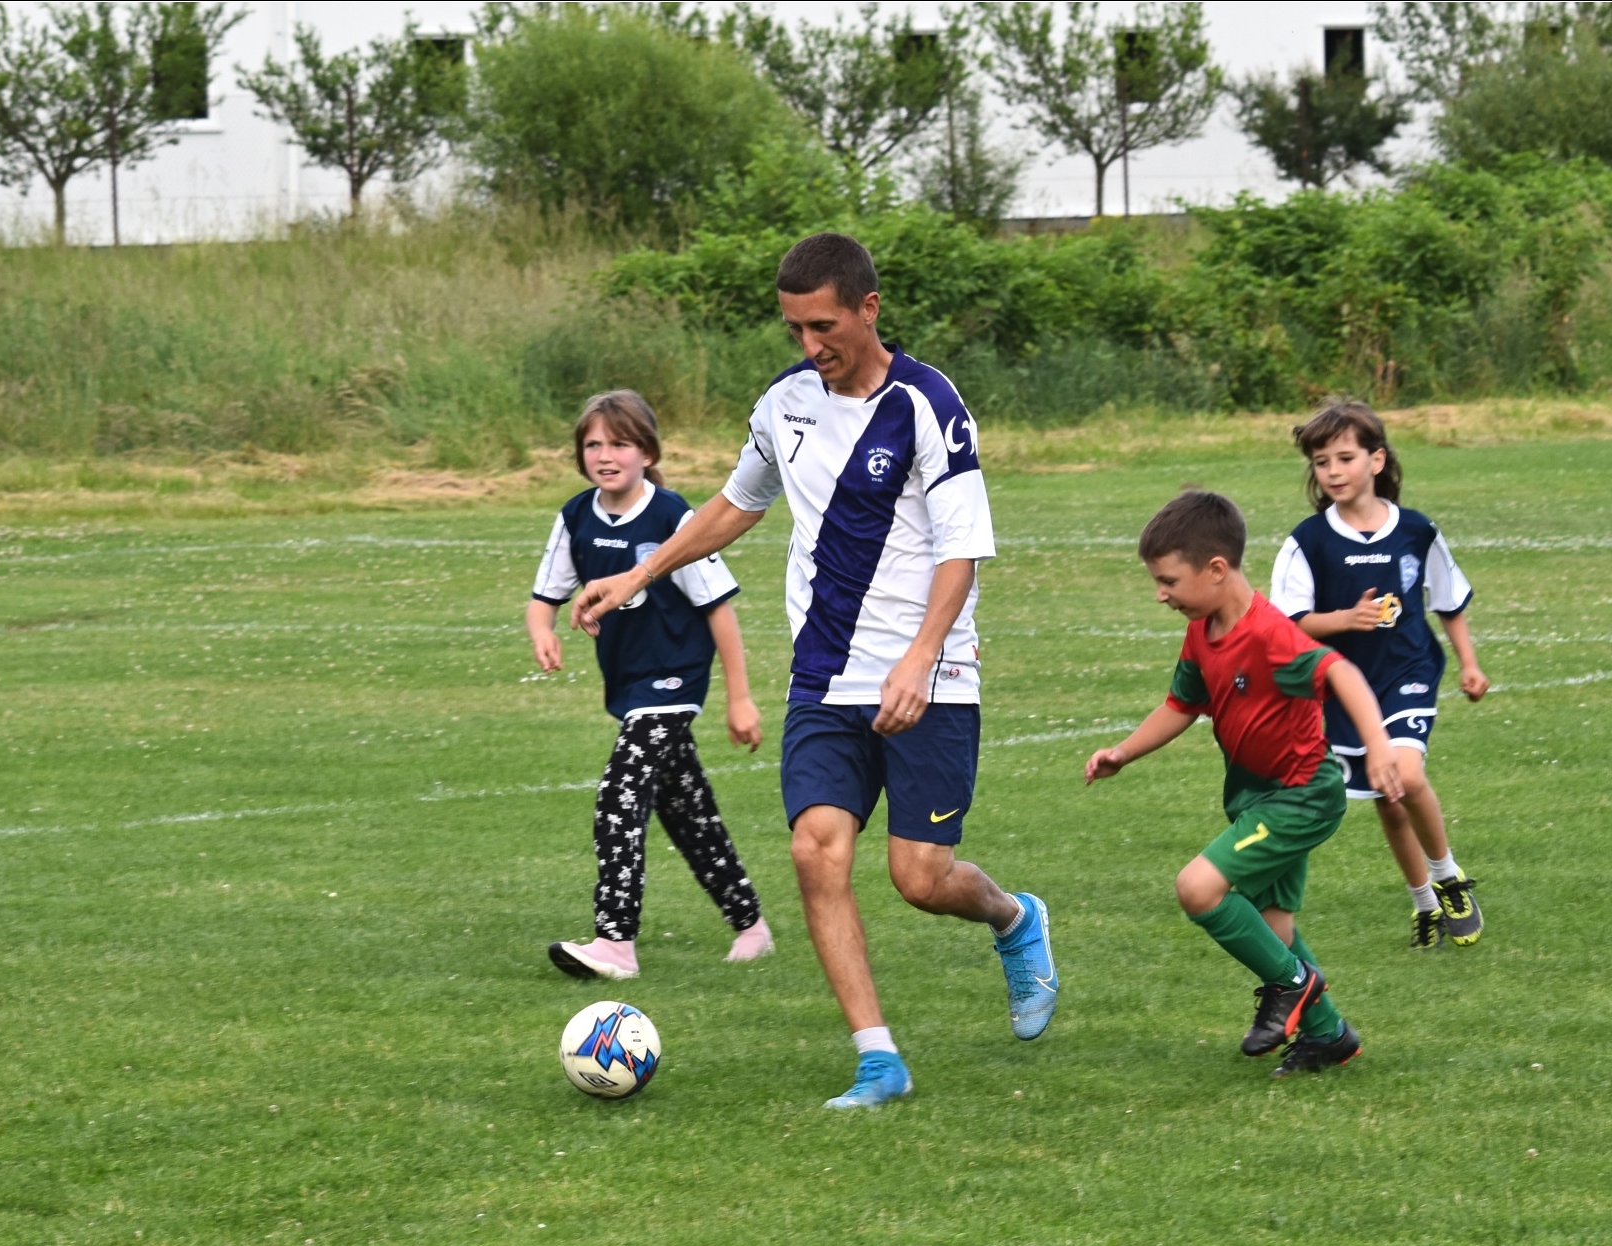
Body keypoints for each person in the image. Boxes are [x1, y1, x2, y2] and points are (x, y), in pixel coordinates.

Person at [568, 234, 1057, 1110]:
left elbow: (963, 549)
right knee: (814, 850)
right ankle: (878, 1059)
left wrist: (920, 658)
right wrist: (640, 573)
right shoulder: (785, 404)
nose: (809, 344)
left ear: (868, 310)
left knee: (920, 878)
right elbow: (737, 503)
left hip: (930, 677)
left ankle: (1015, 919)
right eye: (795, 327)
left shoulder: (929, 405)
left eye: (823, 326)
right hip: (824, 677)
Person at [1083, 490, 1402, 1077]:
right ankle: (1328, 1034)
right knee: (1273, 924)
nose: (1160, 594)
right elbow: (1182, 705)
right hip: (1255, 794)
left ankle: (1293, 985)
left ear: (1215, 569)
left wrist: (1379, 746)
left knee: (1198, 888)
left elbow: (1342, 671)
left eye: (1168, 581)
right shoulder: (1202, 630)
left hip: (1300, 795)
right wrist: (1123, 753)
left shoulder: (1270, 635)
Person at [528, 390, 774, 981]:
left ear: (648, 452)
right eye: (593, 444)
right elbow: (544, 598)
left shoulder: (672, 519)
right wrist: (544, 632)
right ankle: (750, 925)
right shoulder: (576, 517)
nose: (605, 455)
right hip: (629, 687)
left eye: (620, 443)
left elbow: (719, 610)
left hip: (674, 682)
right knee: (687, 810)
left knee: (619, 797)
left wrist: (739, 698)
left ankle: (615, 941)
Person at [1271, 402, 1490, 950]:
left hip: (1408, 671)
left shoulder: (1416, 530)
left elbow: (1448, 600)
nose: (1333, 471)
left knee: (1406, 776)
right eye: (1322, 462)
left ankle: (1448, 877)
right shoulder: (1308, 541)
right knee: (1389, 797)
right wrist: (1345, 620)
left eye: (1345, 458)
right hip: (1344, 686)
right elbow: (1289, 622)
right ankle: (1425, 904)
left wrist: (1469, 663)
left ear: (1376, 460)